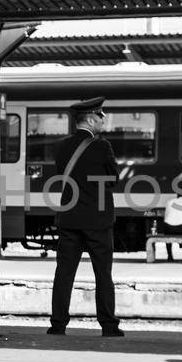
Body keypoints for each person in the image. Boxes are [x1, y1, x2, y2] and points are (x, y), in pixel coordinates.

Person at [48, 96, 123, 337]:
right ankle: (108, 326)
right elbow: (113, 179)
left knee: (64, 274)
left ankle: (58, 325)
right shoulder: (102, 147)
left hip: (69, 220)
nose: (103, 120)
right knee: (103, 274)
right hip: (98, 222)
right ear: (91, 119)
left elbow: (62, 176)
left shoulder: (61, 146)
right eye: (101, 116)